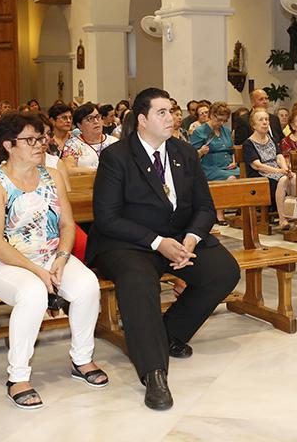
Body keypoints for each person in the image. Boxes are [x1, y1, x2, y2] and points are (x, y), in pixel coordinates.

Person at [88, 87, 240, 411]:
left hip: (178, 240)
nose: (171, 117)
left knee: (224, 270)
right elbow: (107, 218)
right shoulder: (117, 157)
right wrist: (157, 243)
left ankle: (170, 332)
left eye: (171, 111)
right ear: (142, 120)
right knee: (139, 282)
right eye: (162, 112)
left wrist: (191, 239)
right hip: (129, 244)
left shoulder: (184, 153)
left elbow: (204, 207)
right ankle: (154, 373)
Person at [0, 112, 107, 410]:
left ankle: (82, 359)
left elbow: (67, 226)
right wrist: (37, 272)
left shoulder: (51, 175)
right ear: (8, 145)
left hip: (48, 255)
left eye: (41, 138)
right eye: (30, 140)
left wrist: (61, 258)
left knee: (87, 285)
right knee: (32, 293)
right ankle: (17, 377)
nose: (40, 144)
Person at [243, 109, 296, 229]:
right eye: (261, 120)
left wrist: (285, 169)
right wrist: (279, 172)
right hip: (260, 176)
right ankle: (283, 220)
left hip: (277, 172)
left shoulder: (271, 139)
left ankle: (295, 217)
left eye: (266, 119)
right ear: (253, 125)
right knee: (283, 180)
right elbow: (257, 165)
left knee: (294, 178)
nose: (265, 122)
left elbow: (279, 156)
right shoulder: (248, 143)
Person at [190, 101, 239, 223]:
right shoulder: (200, 131)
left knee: (246, 175)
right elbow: (192, 156)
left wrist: (234, 162)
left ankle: (243, 210)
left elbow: (231, 150)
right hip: (209, 167)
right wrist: (201, 151)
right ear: (211, 115)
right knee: (230, 178)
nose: (221, 123)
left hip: (228, 166)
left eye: (224, 120)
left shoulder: (226, 131)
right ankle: (219, 212)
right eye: (219, 119)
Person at [62, 102, 118, 172]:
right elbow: (68, 169)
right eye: (90, 118)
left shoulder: (114, 142)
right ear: (79, 125)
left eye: (98, 117)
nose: (96, 121)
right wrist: (97, 171)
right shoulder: (73, 145)